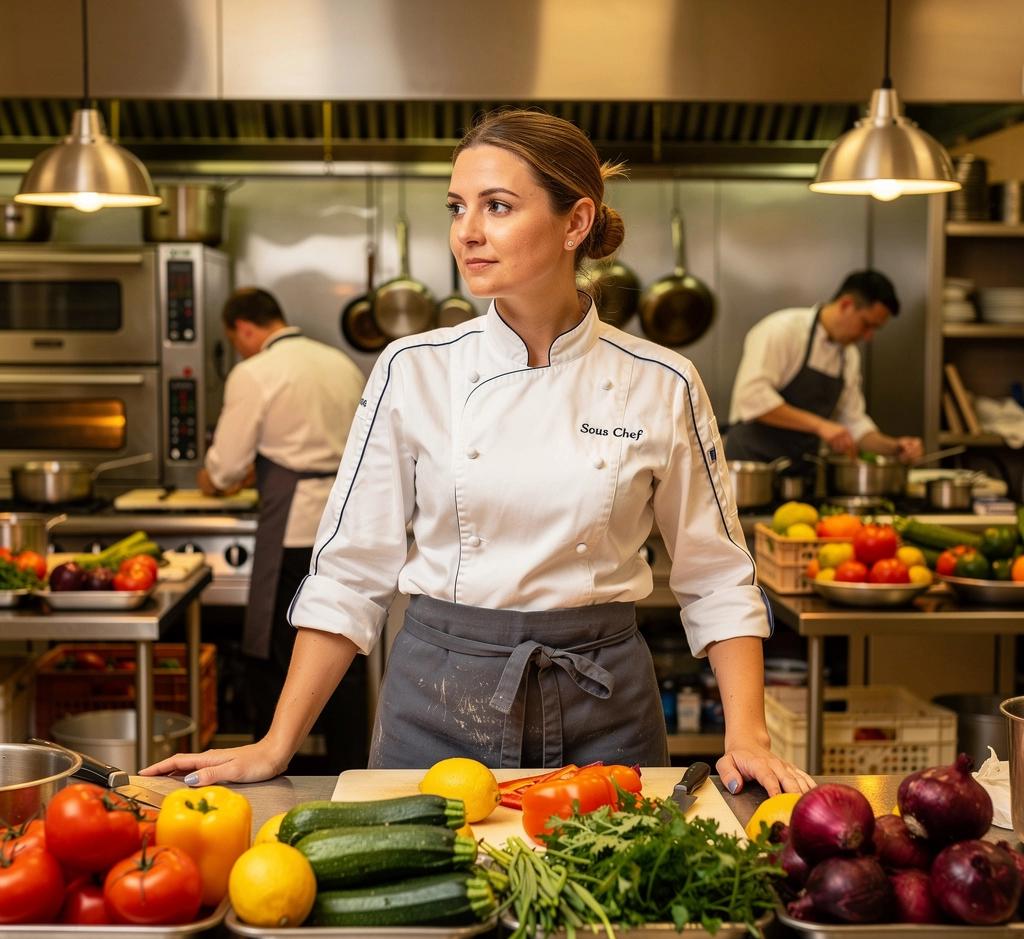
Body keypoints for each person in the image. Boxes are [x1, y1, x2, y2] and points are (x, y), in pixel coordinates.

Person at [144, 111, 813, 796]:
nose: (467, 231)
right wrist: (276, 742)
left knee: (609, 901)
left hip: (605, 708)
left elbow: (717, 576)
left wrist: (748, 737)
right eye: (458, 207)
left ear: (575, 223)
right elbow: (350, 572)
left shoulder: (661, 380)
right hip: (435, 703)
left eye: (497, 206)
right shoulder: (413, 368)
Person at [198, 287, 367, 764]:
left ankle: (272, 767)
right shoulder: (340, 363)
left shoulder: (254, 372)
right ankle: (349, 770)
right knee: (343, 652)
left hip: (292, 529)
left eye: (237, 341)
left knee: (275, 657)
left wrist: (212, 479)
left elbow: (226, 468)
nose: (240, 349)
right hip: (345, 521)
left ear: (245, 329)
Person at [725, 271, 924, 474]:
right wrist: (820, 425)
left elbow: (853, 422)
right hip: (751, 469)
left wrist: (895, 447)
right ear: (846, 304)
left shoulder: (849, 356)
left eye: (875, 329)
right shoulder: (782, 330)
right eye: (866, 324)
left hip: (798, 473)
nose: (868, 336)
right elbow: (752, 398)